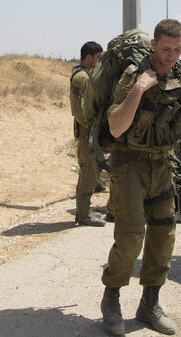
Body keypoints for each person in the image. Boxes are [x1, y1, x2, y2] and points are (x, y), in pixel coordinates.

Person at [99, 19, 181, 335]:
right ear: (154, 45)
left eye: (177, 49)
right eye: (166, 49)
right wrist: (139, 88)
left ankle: (149, 303)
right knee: (129, 237)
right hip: (128, 165)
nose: (171, 55)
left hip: (162, 165)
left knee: (164, 235)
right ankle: (111, 299)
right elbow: (115, 127)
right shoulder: (133, 75)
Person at [70, 41, 109, 227]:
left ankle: (83, 212)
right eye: (98, 58)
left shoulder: (85, 75)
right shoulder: (82, 78)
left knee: (90, 173)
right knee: (89, 174)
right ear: (89, 57)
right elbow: (79, 110)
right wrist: (93, 126)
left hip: (89, 133)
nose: (99, 61)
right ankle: (84, 215)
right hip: (87, 135)